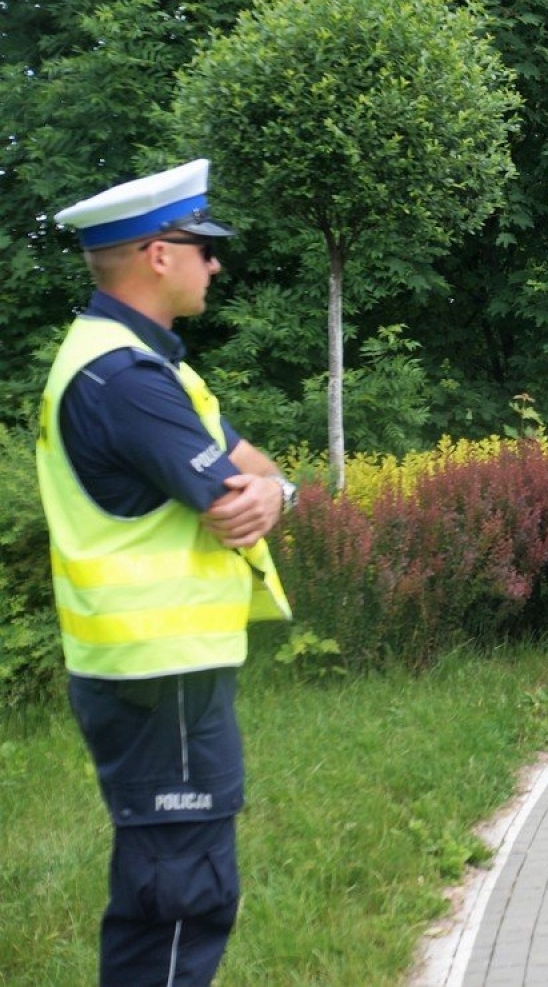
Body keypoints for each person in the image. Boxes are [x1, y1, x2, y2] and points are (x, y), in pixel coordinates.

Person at [37, 160, 295, 985]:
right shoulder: (126, 379)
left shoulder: (140, 362)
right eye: (203, 247)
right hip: (160, 674)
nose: (214, 264)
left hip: (157, 672)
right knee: (181, 898)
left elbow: (255, 468)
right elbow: (230, 492)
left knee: (167, 888)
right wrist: (265, 489)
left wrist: (276, 488)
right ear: (158, 254)